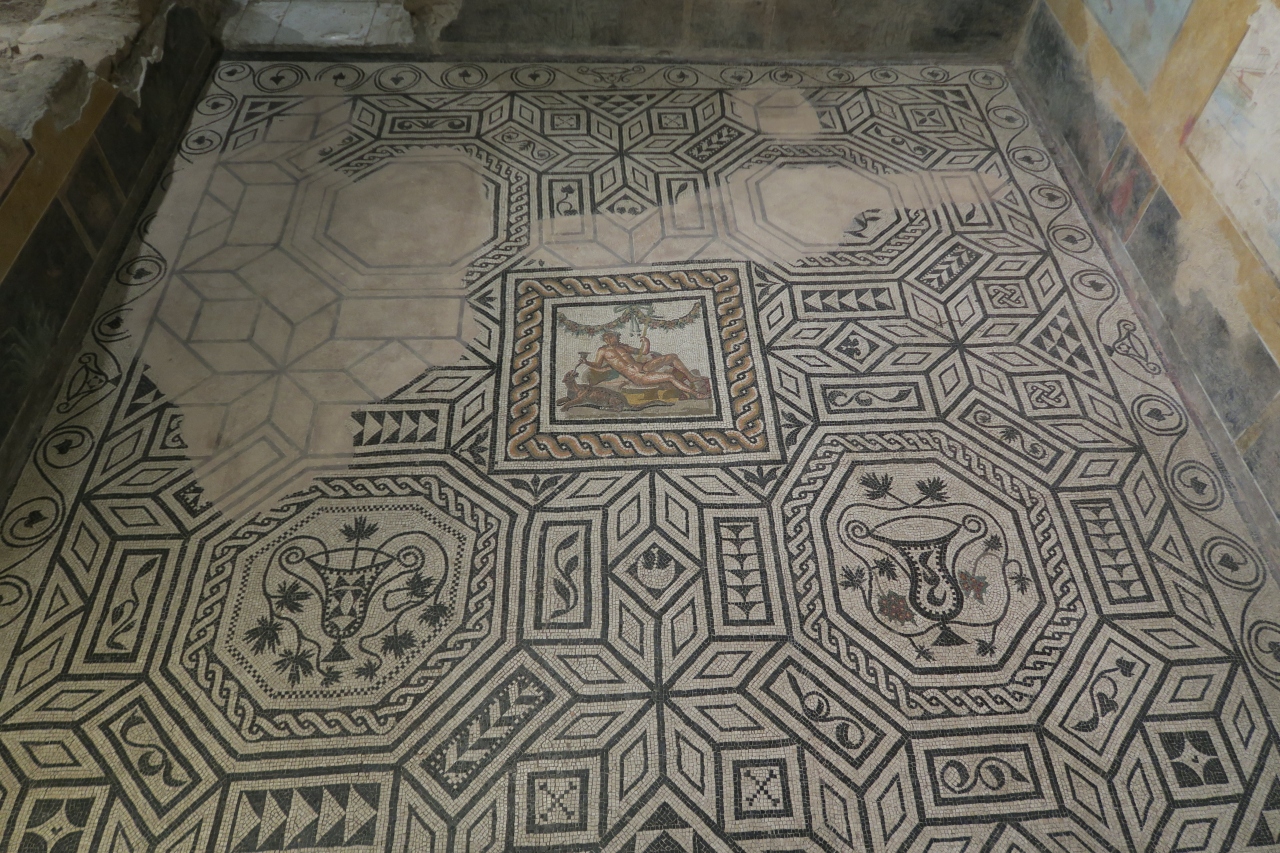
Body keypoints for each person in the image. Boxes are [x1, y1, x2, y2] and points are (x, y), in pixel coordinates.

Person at [579, 330, 710, 399]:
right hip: (638, 377)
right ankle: (696, 394)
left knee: (672, 356)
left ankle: (691, 377)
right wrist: (586, 361)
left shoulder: (623, 346)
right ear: (606, 339)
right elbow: (597, 365)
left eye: (615, 337)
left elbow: (644, 352)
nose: (616, 338)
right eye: (613, 337)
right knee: (670, 377)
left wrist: (646, 342)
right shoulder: (602, 351)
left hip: (644, 367)